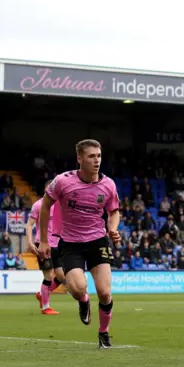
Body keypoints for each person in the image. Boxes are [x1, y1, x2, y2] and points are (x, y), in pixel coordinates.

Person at [39, 139, 121, 349]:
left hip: (97, 240)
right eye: (92, 156)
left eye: (99, 156)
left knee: (104, 292)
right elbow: (45, 206)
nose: (97, 160)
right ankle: (83, 301)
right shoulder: (63, 181)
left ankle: (104, 334)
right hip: (71, 243)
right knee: (77, 289)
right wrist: (44, 240)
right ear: (80, 158)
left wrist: (113, 228)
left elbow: (113, 211)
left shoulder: (108, 184)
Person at [27, 180, 65, 315]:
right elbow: (29, 224)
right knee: (48, 275)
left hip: (56, 245)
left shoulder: (59, 206)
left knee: (61, 276)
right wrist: (30, 243)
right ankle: (46, 307)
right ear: (45, 189)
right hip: (42, 244)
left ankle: (42, 294)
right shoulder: (38, 205)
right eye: (50, 187)